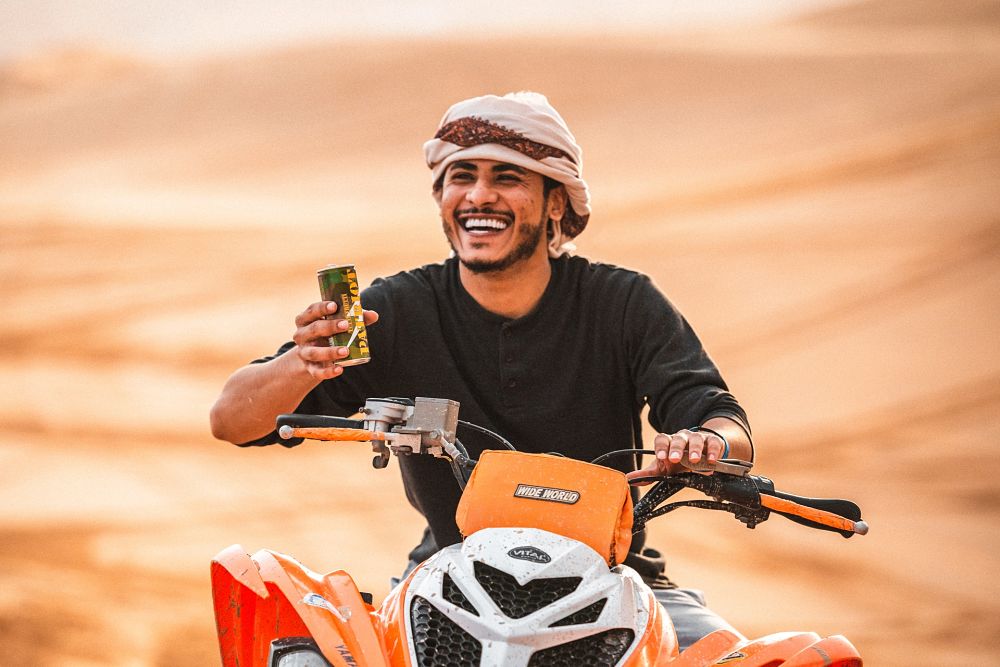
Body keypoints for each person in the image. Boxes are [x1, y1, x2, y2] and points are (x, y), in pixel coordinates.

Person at [210, 91, 754, 650]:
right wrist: (303, 363)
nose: (478, 195)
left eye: (508, 177)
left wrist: (705, 443)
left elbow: (719, 418)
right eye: (461, 175)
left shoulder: (622, 303)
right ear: (441, 197)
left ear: (555, 202)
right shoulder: (394, 311)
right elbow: (231, 420)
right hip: (441, 583)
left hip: (617, 588)